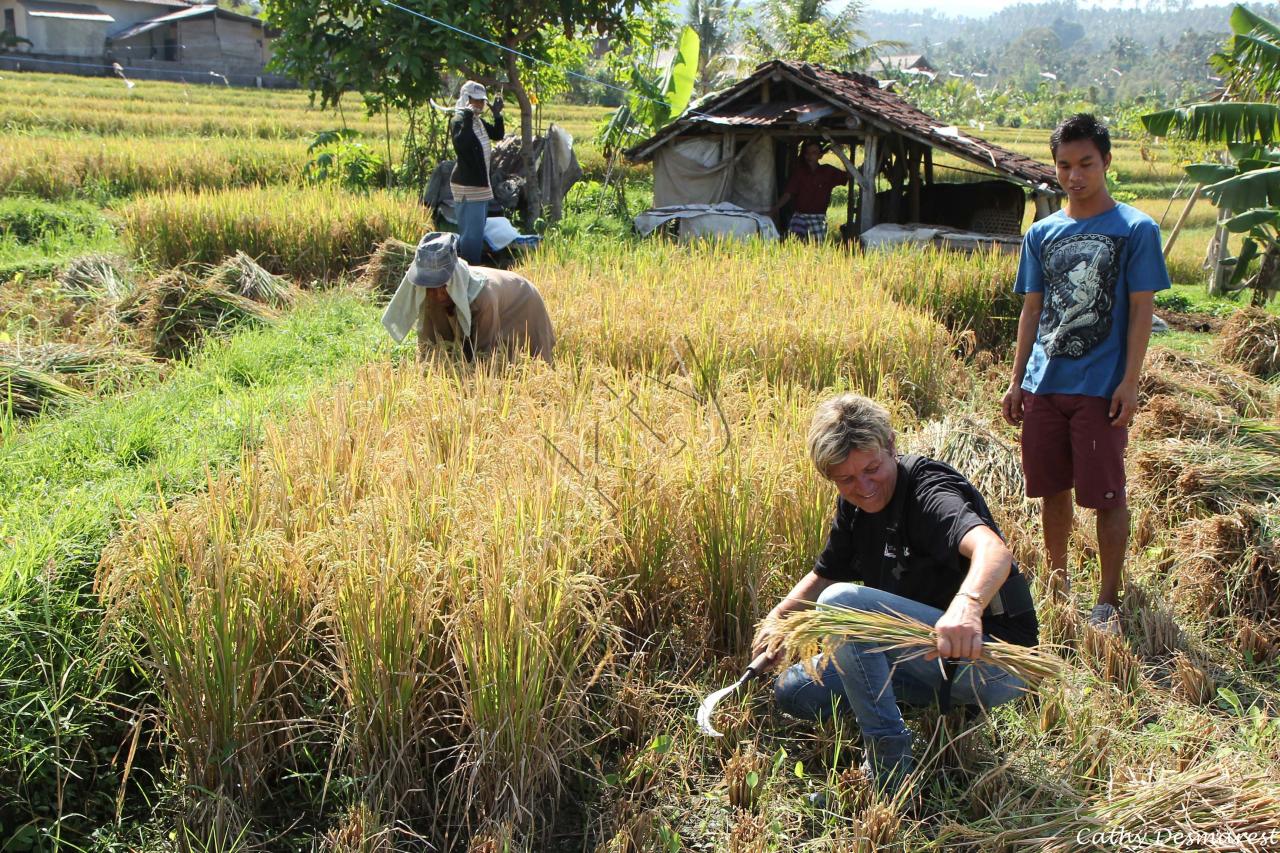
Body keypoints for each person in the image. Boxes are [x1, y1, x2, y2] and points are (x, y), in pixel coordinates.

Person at [753, 394, 1038, 791]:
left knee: (841, 606)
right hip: (920, 654)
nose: (864, 487)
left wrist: (967, 606)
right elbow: (826, 574)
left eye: (872, 469)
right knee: (796, 691)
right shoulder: (855, 506)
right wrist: (778, 621)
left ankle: (889, 764)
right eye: (847, 479)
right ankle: (928, 706)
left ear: (890, 444)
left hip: (990, 662)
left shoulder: (928, 490)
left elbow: (993, 551)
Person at [1001, 113, 1170, 635]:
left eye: (1086, 164)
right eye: (1064, 165)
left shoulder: (1136, 228)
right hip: (1044, 385)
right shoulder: (1042, 233)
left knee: (1105, 494)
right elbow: (1032, 309)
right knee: (1051, 490)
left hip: (1100, 388)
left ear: (1107, 162)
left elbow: (1141, 310)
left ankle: (1107, 600)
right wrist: (1015, 380)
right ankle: (1057, 585)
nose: (1075, 176)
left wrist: (1131, 381)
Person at [380, 232, 554, 365]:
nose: (438, 294)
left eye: (442, 286)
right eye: (431, 287)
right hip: (503, 297)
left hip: (523, 302)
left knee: (523, 364)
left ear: (453, 281)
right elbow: (429, 343)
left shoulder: (483, 296)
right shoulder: (429, 295)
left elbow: (483, 352)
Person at [449, 80, 504, 265]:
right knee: (471, 235)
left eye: (482, 101)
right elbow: (462, 144)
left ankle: (466, 268)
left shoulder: (477, 121)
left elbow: (497, 134)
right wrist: (465, 115)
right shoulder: (459, 121)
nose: (480, 105)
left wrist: (497, 115)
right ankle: (467, 269)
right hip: (467, 185)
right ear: (466, 99)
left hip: (480, 184)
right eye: (476, 100)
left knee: (476, 231)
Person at [769, 140, 852, 242]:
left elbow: (849, 174)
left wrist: (840, 154)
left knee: (818, 247)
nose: (810, 156)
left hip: (818, 217)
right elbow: (788, 193)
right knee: (792, 244)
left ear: (820, 156)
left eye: (814, 153)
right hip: (799, 215)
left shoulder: (828, 171)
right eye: (807, 153)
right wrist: (775, 208)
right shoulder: (799, 173)